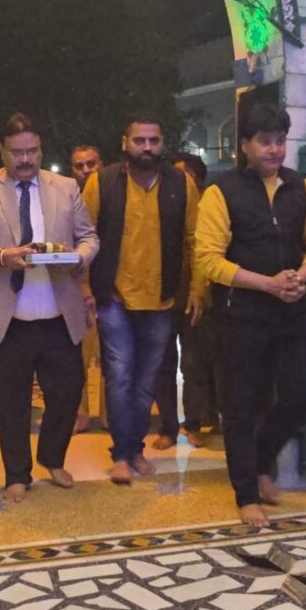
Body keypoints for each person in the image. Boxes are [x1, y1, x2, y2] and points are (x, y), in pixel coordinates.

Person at [195, 103, 306, 527]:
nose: (274, 149)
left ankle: (260, 464)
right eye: (264, 141)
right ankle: (246, 493)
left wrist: (301, 276)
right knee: (239, 407)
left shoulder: (301, 188)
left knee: (298, 397)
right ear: (245, 145)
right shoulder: (221, 191)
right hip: (240, 318)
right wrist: (267, 283)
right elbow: (209, 259)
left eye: (279, 141)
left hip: (290, 315)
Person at [0, 113, 99, 503]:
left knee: (68, 392)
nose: (25, 159)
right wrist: (1, 256)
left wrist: (78, 257)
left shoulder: (65, 187)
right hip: (9, 320)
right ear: (2, 151)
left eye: (32, 151)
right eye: (17, 152)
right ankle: (17, 474)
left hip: (58, 314)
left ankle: (52, 457)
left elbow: (89, 237)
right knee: (11, 401)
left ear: (40, 150)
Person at [83, 115, 200, 484]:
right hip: (114, 296)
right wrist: (85, 289)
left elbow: (195, 240)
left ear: (162, 143)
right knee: (119, 376)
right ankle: (122, 453)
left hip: (161, 300)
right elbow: (84, 238)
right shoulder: (102, 182)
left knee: (146, 381)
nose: (147, 147)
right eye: (139, 140)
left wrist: (198, 289)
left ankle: (134, 449)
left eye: (153, 140)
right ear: (125, 143)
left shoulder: (181, 183)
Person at [152, 153, 216, 449]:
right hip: (162, 298)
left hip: (197, 299)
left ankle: (194, 424)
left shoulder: (209, 209)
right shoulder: (162, 205)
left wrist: (198, 290)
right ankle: (167, 427)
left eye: (186, 176)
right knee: (163, 365)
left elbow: (205, 252)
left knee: (194, 366)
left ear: (197, 181)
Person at [68, 144, 106, 434]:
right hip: (72, 288)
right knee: (75, 358)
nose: (85, 171)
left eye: (91, 164)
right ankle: (79, 413)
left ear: (101, 164)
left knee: (109, 355)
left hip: (108, 286)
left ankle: (108, 413)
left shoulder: (112, 194)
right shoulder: (66, 199)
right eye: (79, 166)